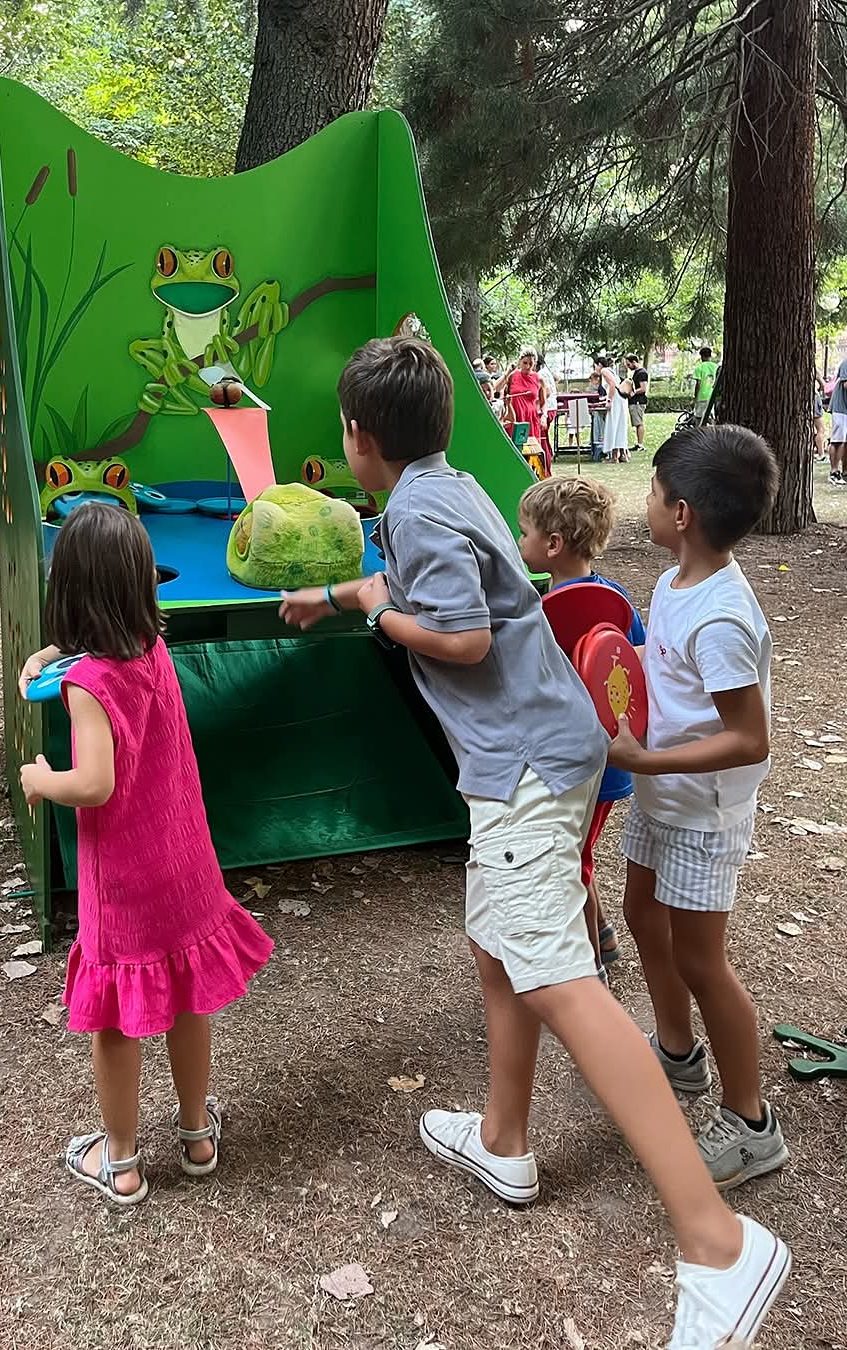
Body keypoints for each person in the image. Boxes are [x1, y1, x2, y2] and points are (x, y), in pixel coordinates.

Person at [279, 338, 789, 1350]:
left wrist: (376, 611)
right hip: (537, 748)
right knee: (497, 940)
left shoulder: (414, 509)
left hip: (523, 764)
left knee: (560, 979)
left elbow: (462, 636)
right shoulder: (447, 482)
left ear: (358, 438)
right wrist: (344, 593)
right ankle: (504, 1139)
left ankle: (718, 1240)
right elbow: (446, 590)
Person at [18, 504, 272, 1206]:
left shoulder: (87, 686)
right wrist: (45, 658)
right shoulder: (150, 648)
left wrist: (41, 779)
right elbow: (88, 654)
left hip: (124, 877)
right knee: (188, 997)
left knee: (114, 1019)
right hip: (184, 861)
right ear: (139, 584)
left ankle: (122, 1161)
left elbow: (94, 783)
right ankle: (196, 1134)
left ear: (67, 591)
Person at [610, 425, 788, 1197]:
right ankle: (678, 1054)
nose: (645, 502)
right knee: (640, 912)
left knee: (701, 961)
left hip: (703, 810)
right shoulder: (675, 581)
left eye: (652, 492)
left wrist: (644, 761)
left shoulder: (722, 618)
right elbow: (667, 678)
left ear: (680, 513)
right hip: (665, 793)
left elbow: (749, 737)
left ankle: (751, 1124)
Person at [517, 476, 645, 977]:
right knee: (578, 851)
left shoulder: (551, 614)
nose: (519, 539)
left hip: (585, 766)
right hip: (605, 758)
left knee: (571, 862)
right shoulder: (615, 597)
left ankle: (591, 972)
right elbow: (638, 663)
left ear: (553, 545)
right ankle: (604, 936)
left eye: (524, 531)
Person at [499, 347, 545, 453]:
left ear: (534, 364)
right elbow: (503, 393)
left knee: (531, 451)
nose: (528, 366)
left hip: (531, 418)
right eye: (525, 363)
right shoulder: (513, 376)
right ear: (520, 361)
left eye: (531, 364)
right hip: (515, 416)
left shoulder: (539, 378)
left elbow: (543, 402)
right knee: (513, 449)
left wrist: (544, 416)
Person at [593, 354, 629, 463]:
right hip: (620, 399)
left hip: (616, 400)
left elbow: (612, 385)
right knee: (620, 425)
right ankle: (622, 454)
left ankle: (614, 456)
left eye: (595, 366)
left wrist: (609, 400)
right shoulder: (611, 371)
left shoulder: (604, 371)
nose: (595, 369)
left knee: (613, 424)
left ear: (599, 365)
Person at [828, 354, 847, 485]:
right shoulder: (846, 363)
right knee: (838, 440)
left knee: (845, 441)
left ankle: (845, 471)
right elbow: (846, 385)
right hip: (840, 407)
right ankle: (834, 471)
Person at [537, 355, 558, 472]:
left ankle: (546, 470)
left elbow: (547, 392)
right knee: (544, 439)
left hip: (546, 410)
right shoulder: (545, 371)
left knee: (542, 439)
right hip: (550, 408)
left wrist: (534, 402)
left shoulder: (541, 374)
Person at [625, 354, 650, 449]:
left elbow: (643, 388)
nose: (628, 367)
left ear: (634, 362)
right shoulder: (636, 372)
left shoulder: (642, 373)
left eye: (629, 364)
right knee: (637, 423)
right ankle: (638, 443)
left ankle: (640, 444)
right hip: (635, 401)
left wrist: (633, 392)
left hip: (638, 402)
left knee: (639, 423)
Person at [693, 347, 717, 422]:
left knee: (699, 419)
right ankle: (712, 429)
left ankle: (699, 430)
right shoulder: (716, 367)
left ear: (702, 356)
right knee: (711, 418)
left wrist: (695, 397)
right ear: (710, 355)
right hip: (713, 396)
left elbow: (698, 384)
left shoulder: (699, 368)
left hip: (702, 396)